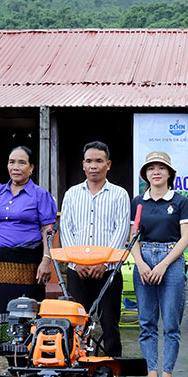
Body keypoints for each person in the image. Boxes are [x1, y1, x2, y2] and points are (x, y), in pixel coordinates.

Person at [0, 147, 56, 353]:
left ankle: (31, 357)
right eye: (12, 162)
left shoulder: (40, 195)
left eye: (22, 163)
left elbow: (47, 229)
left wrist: (46, 259)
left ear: (31, 168)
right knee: (4, 311)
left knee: (29, 311)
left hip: (30, 262)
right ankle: (10, 359)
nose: (16, 167)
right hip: (1, 263)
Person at [59, 141, 130, 357]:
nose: (94, 166)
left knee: (110, 323)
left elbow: (121, 230)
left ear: (108, 164)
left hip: (108, 271)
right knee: (78, 322)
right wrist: (77, 261)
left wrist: (104, 262)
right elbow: (66, 229)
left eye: (99, 161)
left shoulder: (119, 194)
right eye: (89, 161)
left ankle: (112, 367)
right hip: (77, 270)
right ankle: (77, 364)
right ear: (83, 165)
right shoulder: (71, 194)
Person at [130, 151, 188, 377]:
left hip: (172, 259)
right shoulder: (138, 201)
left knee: (171, 323)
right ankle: (152, 371)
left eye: (161, 168)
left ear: (170, 173)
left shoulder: (180, 201)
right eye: (151, 168)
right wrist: (141, 263)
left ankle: (167, 373)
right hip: (143, 258)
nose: (156, 172)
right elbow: (133, 237)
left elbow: (185, 237)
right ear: (145, 174)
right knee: (146, 321)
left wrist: (164, 264)